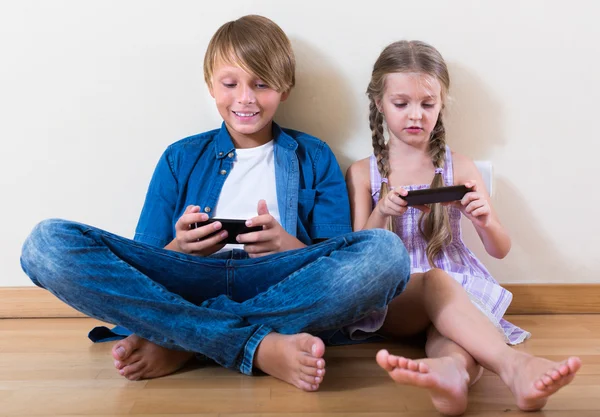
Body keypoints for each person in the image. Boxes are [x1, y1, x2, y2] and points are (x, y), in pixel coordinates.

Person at [19, 15, 411, 392]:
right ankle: (255, 345)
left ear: (285, 89)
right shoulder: (179, 156)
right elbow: (147, 263)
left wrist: (283, 245)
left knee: (387, 253)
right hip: (187, 277)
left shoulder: (314, 155)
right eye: (230, 83)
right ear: (210, 85)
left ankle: (183, 341)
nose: (245, 98)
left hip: (279, 280)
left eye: (262, 84)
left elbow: (337, 256)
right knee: (46, 243)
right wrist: (182, 248)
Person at [345, 40, 581, 415]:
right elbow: (358, 258)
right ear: (379, 104)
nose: (416, 115)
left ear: (442, 104)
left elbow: (500, 248)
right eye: (401, 103)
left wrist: (483, 218)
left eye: (428, 104)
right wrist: (381, 213)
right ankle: (513, 366)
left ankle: (453, 374)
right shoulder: (363, 172)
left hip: (458, 284)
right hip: (398, 291)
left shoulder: (461, 167)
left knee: (450, 333)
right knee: (438, 282)